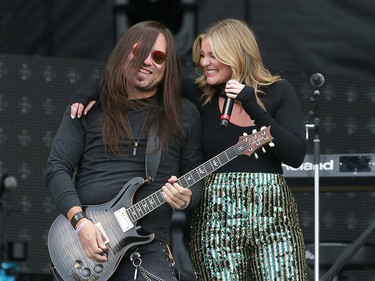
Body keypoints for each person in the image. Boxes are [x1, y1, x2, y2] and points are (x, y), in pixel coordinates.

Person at [71, 18, 308, 281]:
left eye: (212, 56)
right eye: (202, 55)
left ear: (237, 53)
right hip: (216, 220)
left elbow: (295, 154)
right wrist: (89, 91)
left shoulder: (278, 92)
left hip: (271, 214)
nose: (204, 63)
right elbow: (142, 78)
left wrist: (252, 104)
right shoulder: (201, 95)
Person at [45, 21, 203, 281]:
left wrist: (186, 197)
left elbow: (195, 176)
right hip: (82, 245)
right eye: (139, 51)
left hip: (147, 250)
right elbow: (56, 168)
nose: (147, 61)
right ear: (122, 53)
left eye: (159, 56)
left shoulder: (185, 114)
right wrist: (81, 223)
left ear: (168, 66)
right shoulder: (89, 108)